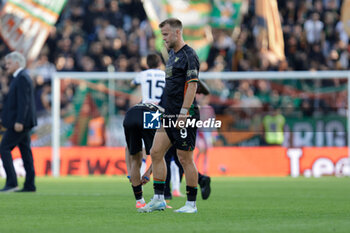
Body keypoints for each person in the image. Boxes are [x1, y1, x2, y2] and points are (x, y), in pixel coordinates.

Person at [138, 18, 201, 213]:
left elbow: (192, 85)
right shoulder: (172, 56)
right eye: (162, 35)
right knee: (156, 152)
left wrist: (183, 113)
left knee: (185, 159)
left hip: (185, 114)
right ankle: (158, 198)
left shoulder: (189, 55)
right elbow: (170, 88)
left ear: (177, 33)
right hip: (168, 114)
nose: (163, 39)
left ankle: (191, 204)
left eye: (166, 34)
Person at [123, 53, 165, 209]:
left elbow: (132, 83)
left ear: (147, 64)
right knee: (158, 154)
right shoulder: (165, 75)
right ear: (160, 63)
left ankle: (139, 201)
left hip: (133, 112)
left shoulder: (142, 74)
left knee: (135, 157)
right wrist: (148, 173)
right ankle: (159, 197)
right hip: (153, 112)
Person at [0, 51, 37, 192]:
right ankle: (29, 184)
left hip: (20, 123)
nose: (6, 66)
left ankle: (11, 182)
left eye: (9, 63)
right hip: (21, 122)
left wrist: (20, 121)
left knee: (4, 148)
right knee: (26, 153)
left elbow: (24, 102)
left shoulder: (21, 78)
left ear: (17, 63)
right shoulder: (19, 77)